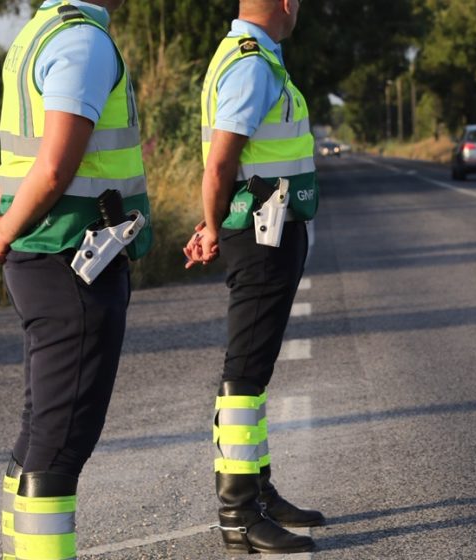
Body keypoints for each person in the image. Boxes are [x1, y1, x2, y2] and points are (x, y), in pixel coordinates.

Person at [0, 1, 151, 558]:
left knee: (41, 428)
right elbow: (54, 164)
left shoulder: (40, 31)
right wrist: (5, 232)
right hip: (73, 257)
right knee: (61, 439)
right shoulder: (83, 40)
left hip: (51, 256)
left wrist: (10, 232)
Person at [185, 0, 321, 554]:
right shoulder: (251, 64)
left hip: (269, 224)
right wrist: (214, 226)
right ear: (286, 3)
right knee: (243, 373)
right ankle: (238, 513)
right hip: (262, 234)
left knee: (255, 372)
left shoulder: (253, 56)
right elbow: (220, 162)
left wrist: (214, 221)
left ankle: (259, 493)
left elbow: (232, 163)